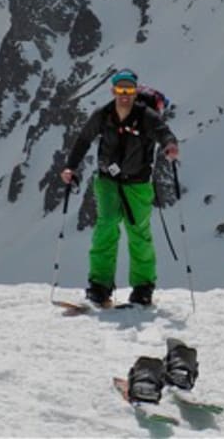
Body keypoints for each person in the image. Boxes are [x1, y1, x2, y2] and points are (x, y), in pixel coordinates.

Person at [60, 68, 179, 306]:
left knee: (139, 235)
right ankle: (99, 287)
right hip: (107, 182)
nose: (125, 94)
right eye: (120, 89)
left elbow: (163, 133)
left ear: (135, 91)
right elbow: (84, 139)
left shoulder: (146, 116)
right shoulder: (102, 115)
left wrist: (170, 146)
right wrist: (70, 167)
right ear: (113, 90)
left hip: (138, 184)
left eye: (129, 89)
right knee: (106, 228)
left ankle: (143, 288)